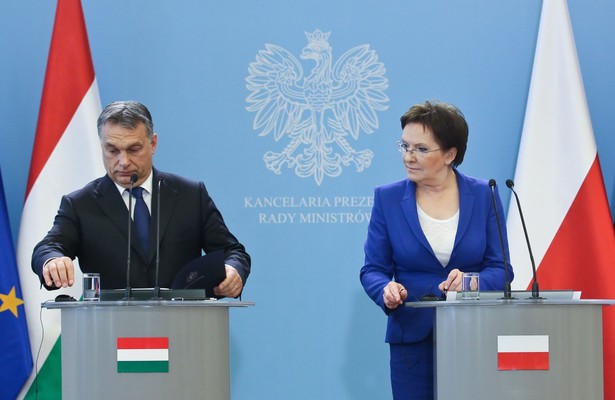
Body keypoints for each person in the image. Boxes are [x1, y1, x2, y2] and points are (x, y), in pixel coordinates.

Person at [359, 100, 513, 399]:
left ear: (450, 154)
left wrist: (471, 281)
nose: (408, 157)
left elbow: (502, 269)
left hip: (475, 336)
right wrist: (385, 290)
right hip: (412, 338)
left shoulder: (484, 194)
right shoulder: (387, 198)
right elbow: (373, 270)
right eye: (404, 146)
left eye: (420, 149)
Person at [32, 100, 250, 298]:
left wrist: (233, 270)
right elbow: (48, 247)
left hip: (183, 327)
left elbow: (232, 252)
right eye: (112, 150)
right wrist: (52, 261)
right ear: (102, 146)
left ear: (153, 143)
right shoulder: (80, 204)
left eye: (133, 149)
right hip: (109, 330)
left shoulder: (190, 195)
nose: (123, 161)